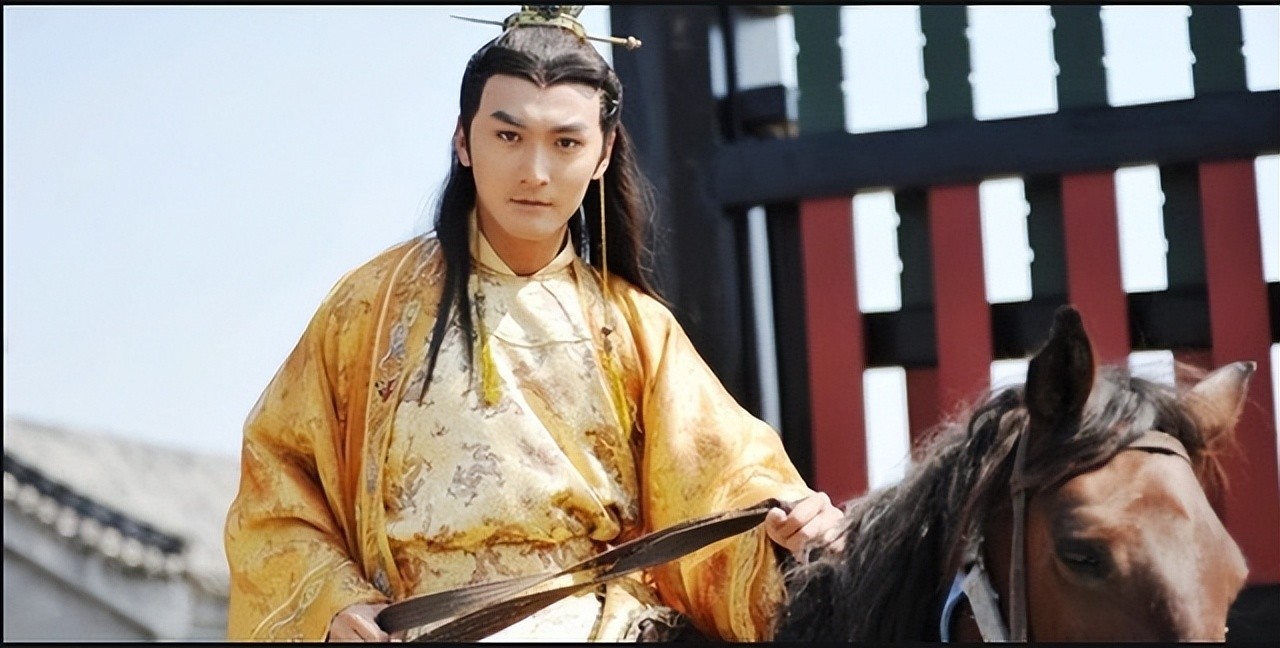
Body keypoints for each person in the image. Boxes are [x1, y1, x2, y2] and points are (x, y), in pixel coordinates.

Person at [223, 5, 844, 642]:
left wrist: (788, 526)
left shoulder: (634, 328)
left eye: (566, 143)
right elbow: (277, 482)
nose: (535, 173)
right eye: (508, 136)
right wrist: (333, 602)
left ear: (603, 154)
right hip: (420, 625)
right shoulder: (371, 307)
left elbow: (727, 484)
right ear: (462, 141)